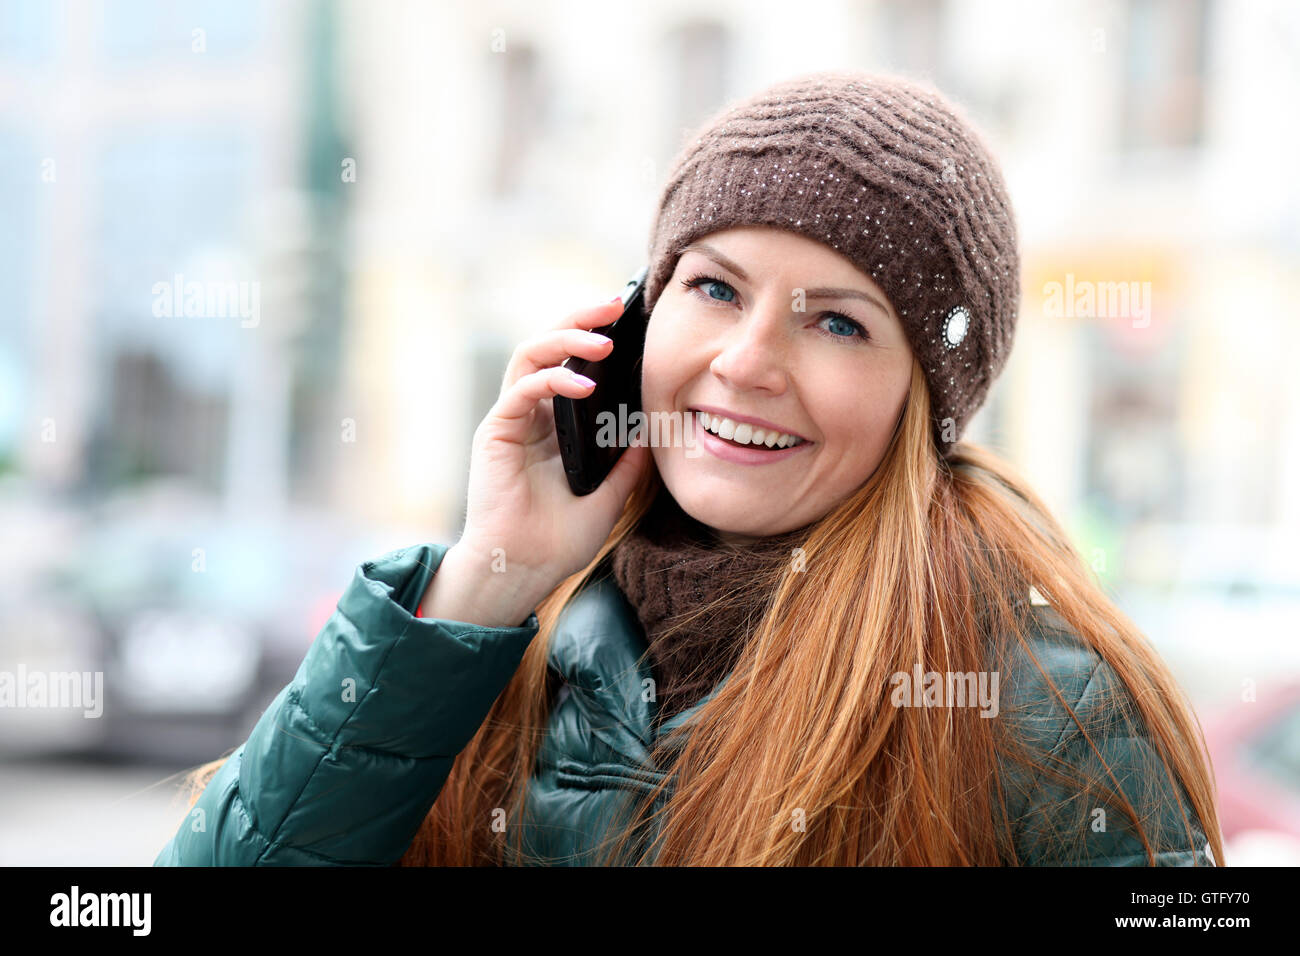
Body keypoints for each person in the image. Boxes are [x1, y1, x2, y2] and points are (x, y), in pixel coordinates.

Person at [155, 70, 1221, 866]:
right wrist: (485, 584)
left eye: (839, 324)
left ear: (922, 404)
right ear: (631, 318)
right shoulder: (497, 641)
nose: (747, 362)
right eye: (713, 288)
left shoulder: (1047, 708)